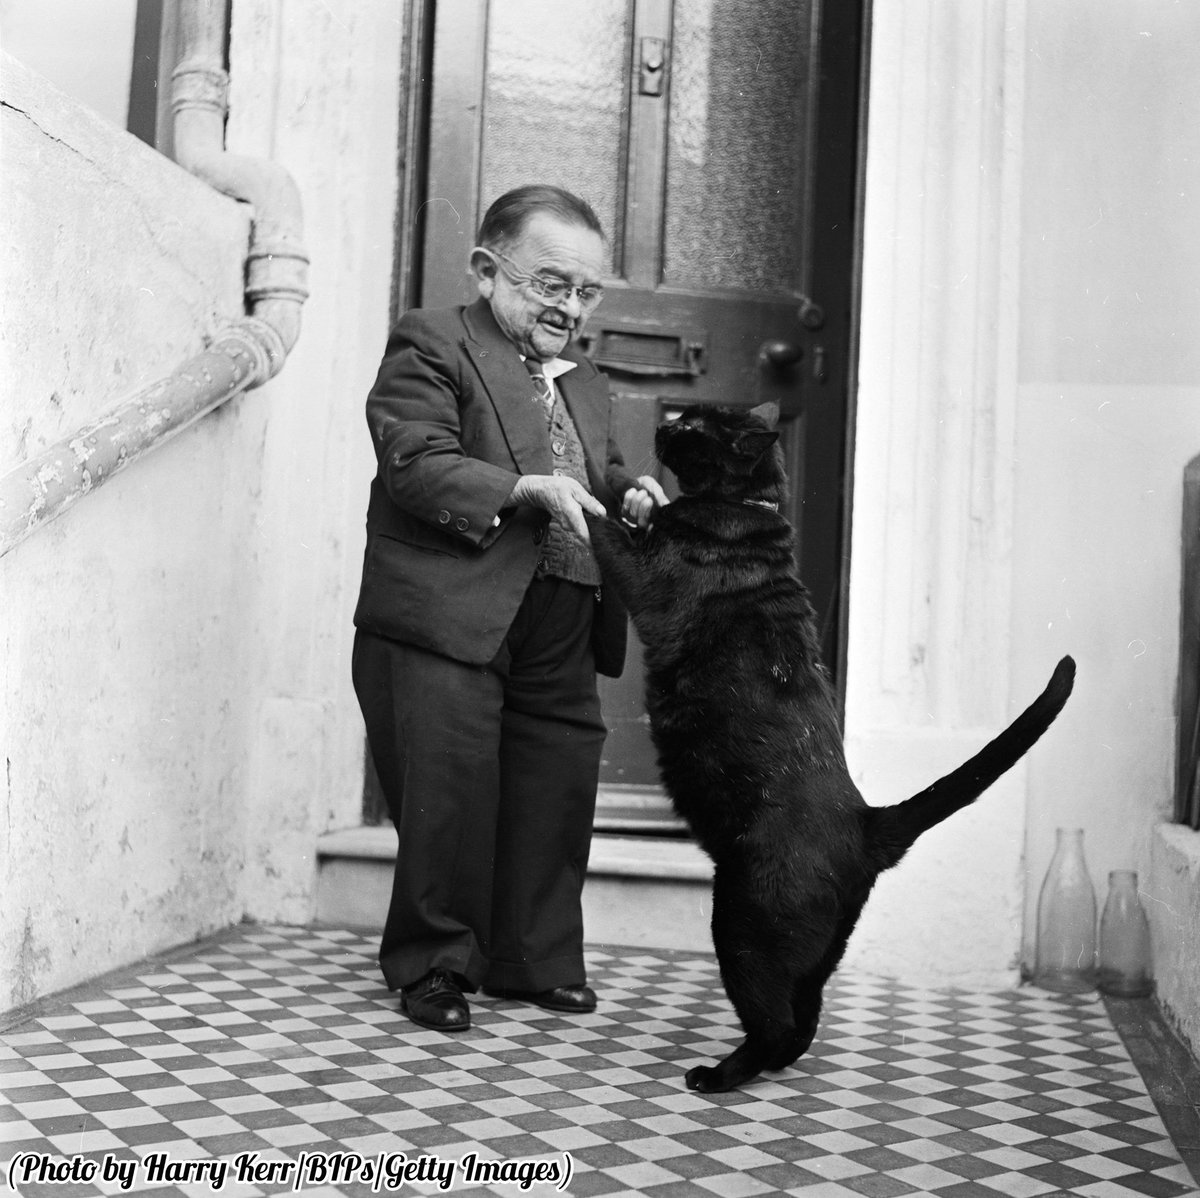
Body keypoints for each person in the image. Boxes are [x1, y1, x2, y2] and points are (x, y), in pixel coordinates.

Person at [352, 185, 667, 1033]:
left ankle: (533, 961)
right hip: (450, 612)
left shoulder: (587, 380)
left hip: (563, 608)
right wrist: (522, 488)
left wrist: (631, 492)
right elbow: (414, 461)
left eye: (587, 291)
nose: (570, 306)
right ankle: (436, 965)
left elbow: (596, 468)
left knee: (552, 782)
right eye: (550, 283)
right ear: (487, 270)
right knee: (449, 787)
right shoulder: (433, 341)